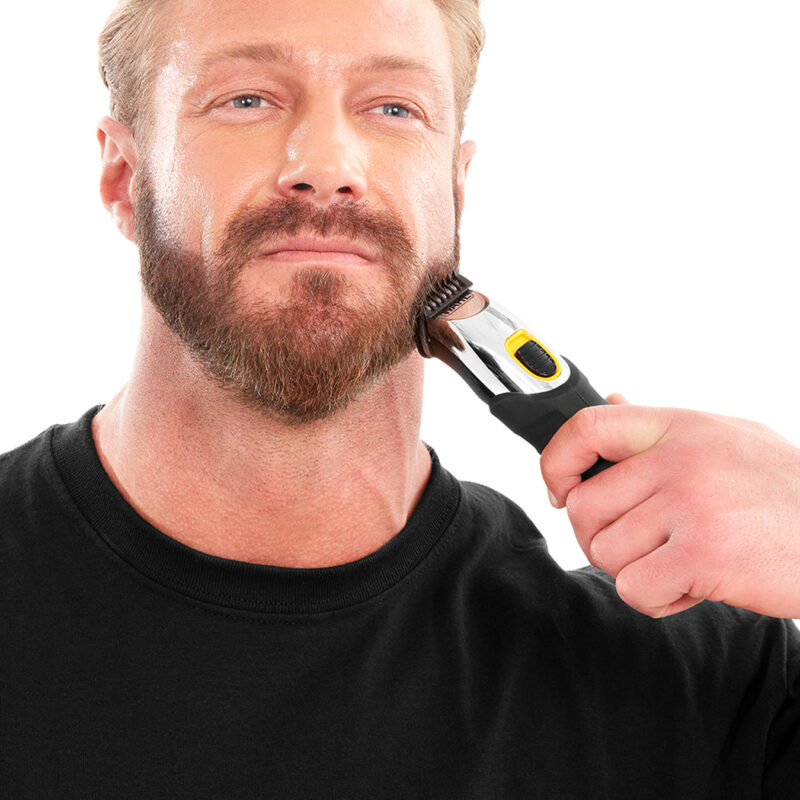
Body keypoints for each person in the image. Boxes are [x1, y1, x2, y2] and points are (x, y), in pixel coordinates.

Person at [1, 0, 798, 796]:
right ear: (123, 177)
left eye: (393, 108)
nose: (326, 163)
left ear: (456, 188)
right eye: (247, 99)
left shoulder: (706, 686)